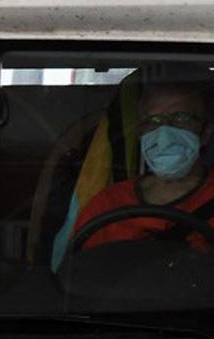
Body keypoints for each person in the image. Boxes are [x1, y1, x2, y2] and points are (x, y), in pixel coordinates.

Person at [72, 82, 214, 250]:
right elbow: (78, 264)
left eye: (181, 118)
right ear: (140, 133)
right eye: (153, 121)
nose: (165, 133)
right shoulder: (109, 203)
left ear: (206, 132)